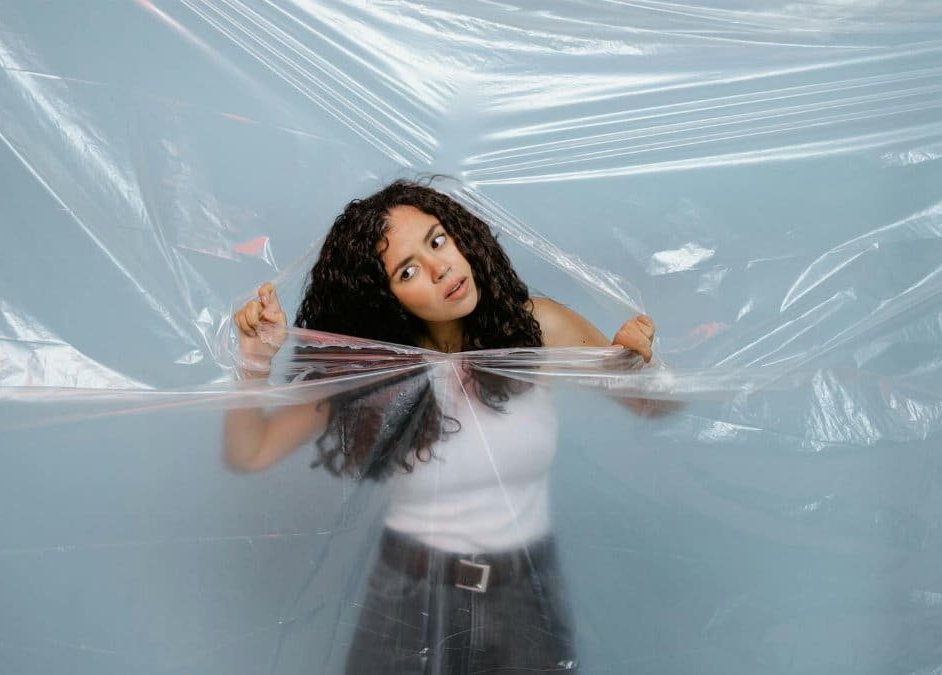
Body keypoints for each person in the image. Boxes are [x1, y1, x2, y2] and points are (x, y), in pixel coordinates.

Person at [223, 180, 656, 674]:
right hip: (408, 592)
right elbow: (250, 452)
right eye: (408, 270)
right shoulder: (376, 371)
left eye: (437, 240)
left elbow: (647, 405)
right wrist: (254, 364)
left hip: (522, 591)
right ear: (385, 298)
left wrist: (635, 360)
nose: (440, 268)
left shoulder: (537, 329)